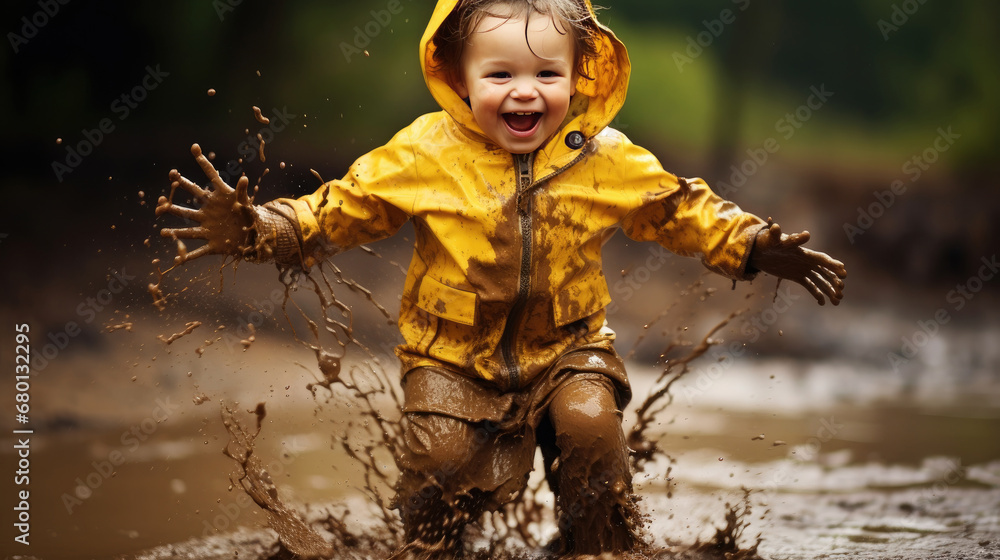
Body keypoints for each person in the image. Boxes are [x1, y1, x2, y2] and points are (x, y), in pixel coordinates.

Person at [157, 0, 847, 556]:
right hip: (448, 356)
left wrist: (754, 245)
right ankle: (430, 546)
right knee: (443, 462)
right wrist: (263, 229)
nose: (526, 92)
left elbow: (679, 209)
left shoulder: (602, 157)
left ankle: (600, 545)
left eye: (548, 74)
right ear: (459, 77)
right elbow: (340, 208)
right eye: (500, 76)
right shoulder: (424, 152)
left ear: (580, 74)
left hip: (571, 347)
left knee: (588, 425)